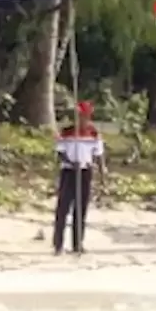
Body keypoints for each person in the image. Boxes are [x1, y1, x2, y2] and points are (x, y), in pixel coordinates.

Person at [53, 101, 105, 255]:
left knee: (80, 210)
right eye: (77, 115)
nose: (79, 118)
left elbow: (98, 154)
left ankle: (78, 244)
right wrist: (70, 162)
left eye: (82, 115)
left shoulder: (93, 133)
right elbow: (60, 152)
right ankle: (58, 244)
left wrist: (102, 173)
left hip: (85, 172)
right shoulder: (66, 132)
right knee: (63, 208)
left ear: (87, 116)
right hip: (69, 172)